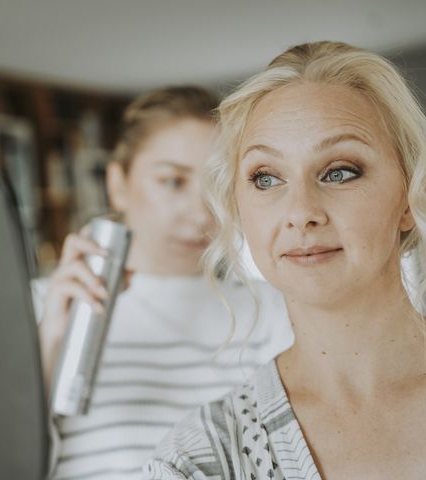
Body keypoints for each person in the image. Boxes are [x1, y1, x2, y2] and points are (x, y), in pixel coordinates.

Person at [145, 41, 426, 479]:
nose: (300, 212)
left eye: (339, 171)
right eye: (267, 177)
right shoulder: (198, 459)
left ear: (409, 195)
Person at [34, 86, 293, 480]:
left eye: (217, 184)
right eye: (173, 181)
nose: (198, 211)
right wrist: (49, 342)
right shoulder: (44, 308)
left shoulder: (271, 312)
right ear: (118, 184)